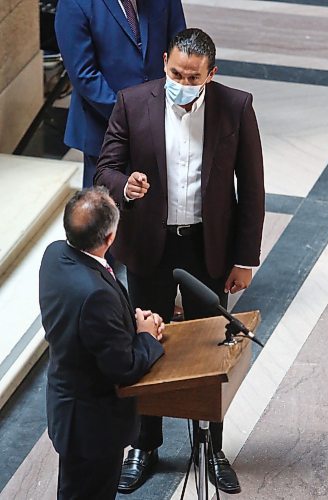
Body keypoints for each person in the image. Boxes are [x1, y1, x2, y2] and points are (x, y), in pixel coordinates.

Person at [95, 28, 265, 494]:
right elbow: (105, 167)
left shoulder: (236, 106)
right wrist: (123, 185)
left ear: (212, 73)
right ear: (165, 62)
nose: (182, 83)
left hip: (207, 247)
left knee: (210, 349)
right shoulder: (132, 102)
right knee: (146, 341)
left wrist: (245, 259)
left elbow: (251, 189)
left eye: (193, 77)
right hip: (150, 244)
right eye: (175, 72)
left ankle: (213, 446)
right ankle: (145, 444)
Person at [39, 186, 165, 499]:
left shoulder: (55, 254)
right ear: (109, 238)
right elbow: (124, 367)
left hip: (68, 407)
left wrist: (128, 324)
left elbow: (85, 327)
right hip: (92, 426)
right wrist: (146, 335)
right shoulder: (95, 296)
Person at [55, 0, 186, 187]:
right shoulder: (75, 3)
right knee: (106, 211)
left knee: (158, 207)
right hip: (105, 130)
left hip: (162, 124)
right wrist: (133, 116)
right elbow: (84, 75)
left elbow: (179, 47)